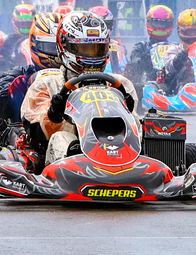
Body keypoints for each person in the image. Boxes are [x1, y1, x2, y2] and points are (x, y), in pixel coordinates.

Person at [21, 10, 137, 168]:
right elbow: (35, 131)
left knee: (146, 126)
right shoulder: (47, 84)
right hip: (70, 159)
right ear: (64, 47)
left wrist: (127, 112)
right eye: (84, 49)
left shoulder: (120, 85)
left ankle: (135, 167)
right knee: (61, 137)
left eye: (97, 48)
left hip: (118, 150)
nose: (92, 55)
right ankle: (76, 166)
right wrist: (53, 114)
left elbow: (136, 127)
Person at [0, 12, 61, 121]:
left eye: (59, 47)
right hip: (27, 130)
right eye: (51, 47)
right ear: (35, 44)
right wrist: (14, 95)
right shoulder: (20, 74)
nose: (56, 53)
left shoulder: (75, 75)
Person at [123, 4, 175, 85]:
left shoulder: (175, 48)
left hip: (171, 86)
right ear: (149, 22)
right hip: (147, 85)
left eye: (162, 23)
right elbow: (135, 69)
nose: (159, 26)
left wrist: (179, 60)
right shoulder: (141, 47)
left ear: (170, 24)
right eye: (156, 23)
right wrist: (147, 57)